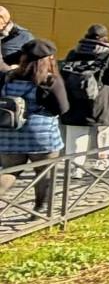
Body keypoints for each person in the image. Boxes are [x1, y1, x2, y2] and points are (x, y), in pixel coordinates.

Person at [0, 38, 69, 212]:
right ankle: (40, 210)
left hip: (10, 133)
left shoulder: (7, 77)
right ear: (49, 59)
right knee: (44, 174)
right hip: (42, 135)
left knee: (10, 171)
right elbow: (62, 108)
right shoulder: (49, 81)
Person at [60, 26, 109, 161]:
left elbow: (64, 74)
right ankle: (103, 162)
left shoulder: (73, 53)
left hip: (75, 99)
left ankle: (76, 168)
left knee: (76, 133)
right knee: (106, 130)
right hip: (102, 98)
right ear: (105, 38)